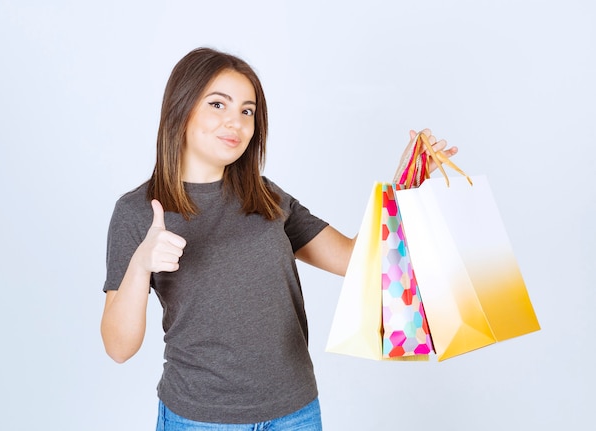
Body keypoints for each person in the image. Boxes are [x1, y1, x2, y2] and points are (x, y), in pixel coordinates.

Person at [100, 47, 458, 430]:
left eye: (247, 111)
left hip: (295, 413)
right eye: (218, 105)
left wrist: (406, 184)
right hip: (201, 419)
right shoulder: (137, 211)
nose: (235, 123)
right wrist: (141, 264)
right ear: (181, 108)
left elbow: (359, 261)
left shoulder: (266, 198)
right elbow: (119, 348)